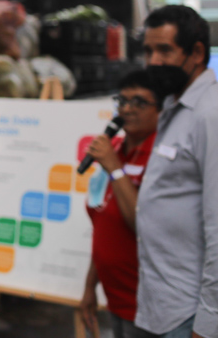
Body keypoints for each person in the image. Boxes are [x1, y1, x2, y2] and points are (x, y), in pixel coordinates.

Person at [135, 5, 218, 338]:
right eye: (148, 51)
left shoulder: (213, 115)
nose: (153, 61)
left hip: (190, 317)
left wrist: (211, 326)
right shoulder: (176, 107)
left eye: (164, 50)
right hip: (162, 308)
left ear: (197, 52)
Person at [80, 70, 161, 338]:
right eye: (122, 101)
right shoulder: (114, 148)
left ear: (161, 109)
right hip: (115, 299)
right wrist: (90, 286)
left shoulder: (161, 157)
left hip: (148, 306)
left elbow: (142, 224)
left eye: (139, 102)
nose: (127, 109)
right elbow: (103, 222)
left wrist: (115, 169)